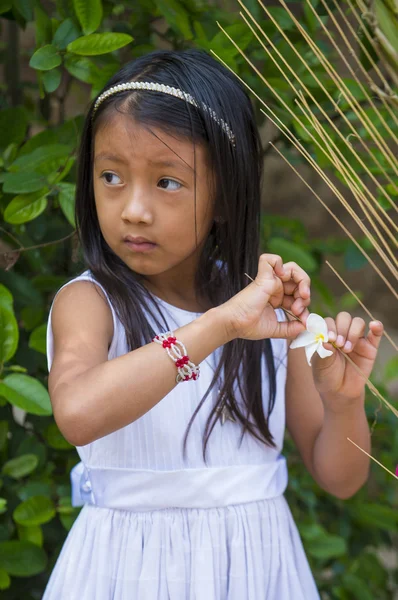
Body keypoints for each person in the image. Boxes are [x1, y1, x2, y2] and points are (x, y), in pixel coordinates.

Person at [43, 49, 383, 599]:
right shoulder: (91, 303)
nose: (133, 209)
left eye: (167, 182)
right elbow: (79, 414)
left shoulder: (273, 316)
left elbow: (341, 479)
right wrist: (221, 325)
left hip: (256, 571)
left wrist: (343, 402)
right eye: (111, 176)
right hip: (127, 574)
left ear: (224, 196)